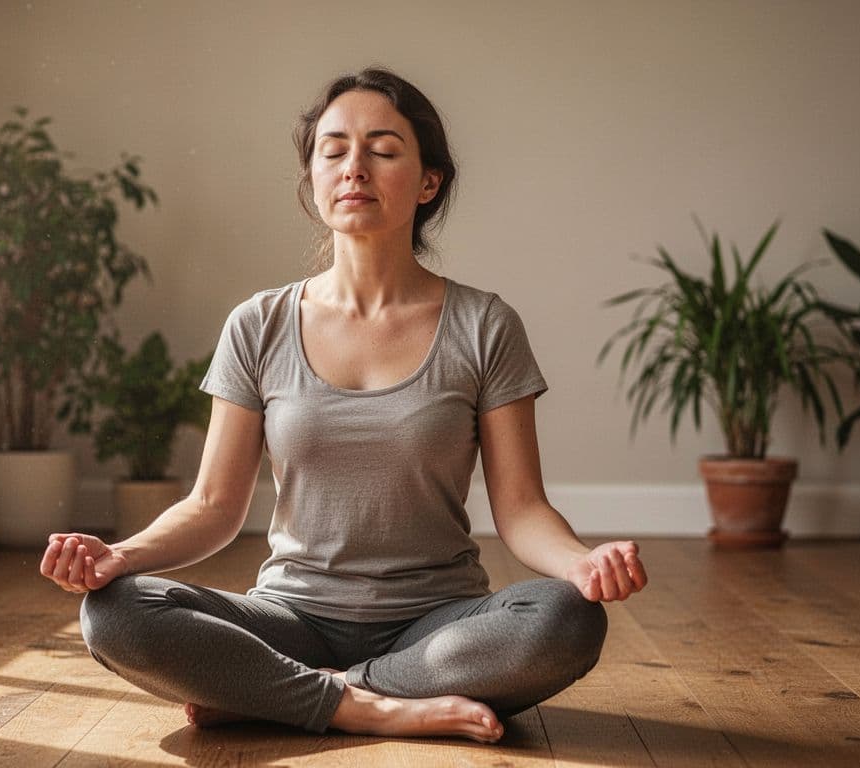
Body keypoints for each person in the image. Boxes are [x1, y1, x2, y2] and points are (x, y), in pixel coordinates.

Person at [39, 67, 647, 744]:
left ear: (427, 182)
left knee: (568, 617)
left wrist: (580, 564)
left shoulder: (485, 325)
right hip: (290, 620)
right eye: (332, 151)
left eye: (382, 150)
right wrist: (120, 555)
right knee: (114, 612)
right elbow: (213, 507)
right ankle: (371, 705)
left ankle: (283, 694)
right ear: (314, 180)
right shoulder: (258, 324)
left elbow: (521, 508)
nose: (354, 166)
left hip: (437, 624)